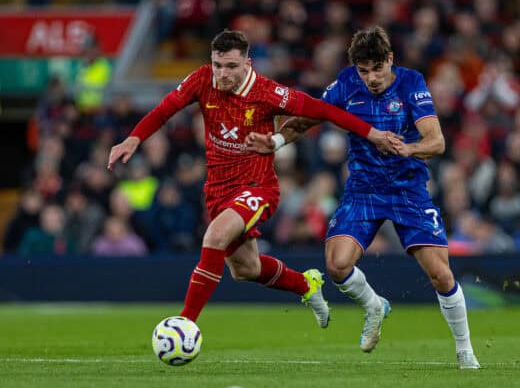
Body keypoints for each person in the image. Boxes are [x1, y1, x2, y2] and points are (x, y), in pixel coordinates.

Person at [107, 30, 402, 329]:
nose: (222, 73)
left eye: (231, 66)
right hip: (218, 191)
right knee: (246, 269)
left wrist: (373, 134)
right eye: (218, 65)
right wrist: (134, 138)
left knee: (215, 236)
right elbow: (164, 110)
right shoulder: (201, 80)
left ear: (247, 63)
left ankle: (185, 325)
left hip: (256, 188)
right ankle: (305, 285)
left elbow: (324, 110)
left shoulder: (267, 93)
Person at [245, 26, 481, 369]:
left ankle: (465, 351)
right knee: (337, 265)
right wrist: (276, 143)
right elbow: (304, 121)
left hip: (407, 190)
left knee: (441, 275)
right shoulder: (345, 84)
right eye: (363, 70)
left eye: (376, 68)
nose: (370, 78)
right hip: (363, 190)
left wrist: (410, 147)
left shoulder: (411, 83)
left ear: (390, 59)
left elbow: (437, 141)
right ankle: (374, 305)